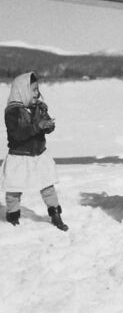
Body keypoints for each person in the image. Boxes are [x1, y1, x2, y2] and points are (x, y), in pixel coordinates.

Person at [2, 72, 68, 231]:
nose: (37, 93)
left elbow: (46, 126)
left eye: (37, 89)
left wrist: (49, 126)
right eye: (33, 89)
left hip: (39, 155)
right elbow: (17, 135)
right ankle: (13, 216)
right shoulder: (12, 112)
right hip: (19, 156)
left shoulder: (39, 107)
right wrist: (37, 127)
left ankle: (55, 214)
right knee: (13, 189)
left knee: (47, 186)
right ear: (22, 90)